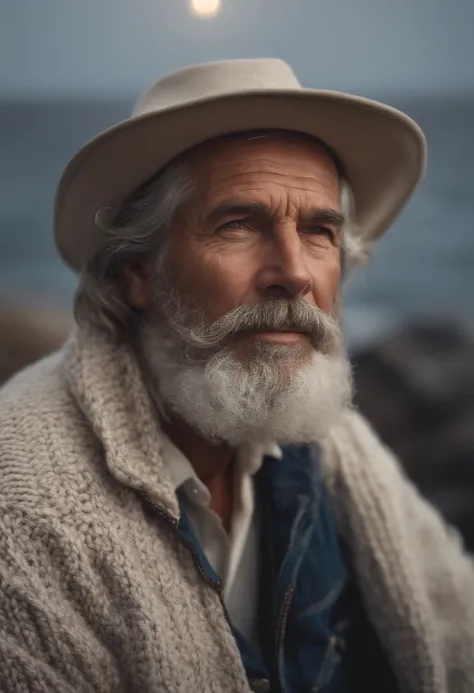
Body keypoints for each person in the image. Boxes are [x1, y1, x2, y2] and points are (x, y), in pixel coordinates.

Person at [0, 59, 472, 693]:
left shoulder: (331, 441)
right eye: (239, 225)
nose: (295, 271)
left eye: (319, 230)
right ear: (137, 270)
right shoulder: (21, 518)